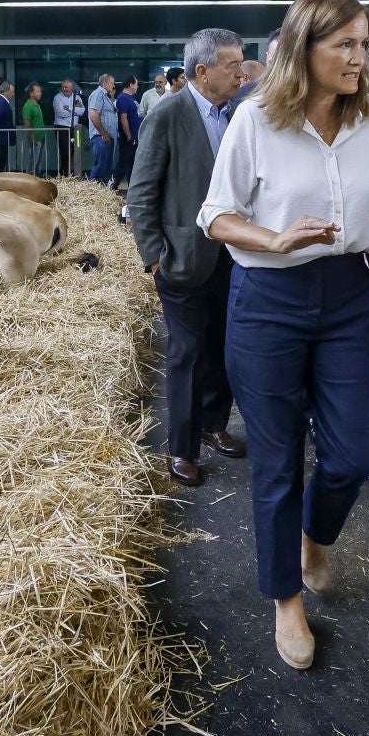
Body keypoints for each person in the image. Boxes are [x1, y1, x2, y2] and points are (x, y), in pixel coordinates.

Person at [198, 0, 369, 672]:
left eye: (364, 43)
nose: (358, 58)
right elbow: (216, 216)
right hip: (269, 297)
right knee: (277, 462)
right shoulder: (257, 119)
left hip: (348, 295)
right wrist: (275, 240)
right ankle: (286, 597)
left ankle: (316, 535)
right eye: (345, 44)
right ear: (304, 48)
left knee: (351, 451)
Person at [131, 28, 249, 487]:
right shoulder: (167, 116)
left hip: (231, 256)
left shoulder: (238, 115)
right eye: (232, 64)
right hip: (181, 257)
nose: (241, 72)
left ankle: (214, 425)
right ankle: (181, 448)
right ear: (202, 71)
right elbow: (141, 193)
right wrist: (154, 256)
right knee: (185, 351)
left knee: (222, 344)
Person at [88, 73, 120, 185]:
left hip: (108, 137)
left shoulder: (106, 96)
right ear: (104, 83)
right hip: (100, 136)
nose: (113, 85)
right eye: (112, 83)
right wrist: (103, 133)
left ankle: (103, 193)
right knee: (101, 165)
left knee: (107, 166)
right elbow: (94, 116)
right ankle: (91, 191)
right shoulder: (98, 94)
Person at [53, 78, 85, 177]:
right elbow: (60, 113)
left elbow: (82, 111)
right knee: (65, 152)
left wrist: (68, 108)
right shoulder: (57, 98)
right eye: (63, 87)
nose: (64, 89)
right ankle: (64, 174)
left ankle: (70, 173)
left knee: (73, 151)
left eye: (67, 87)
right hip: (62, 128)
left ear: (72, 88)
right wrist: (74, 111)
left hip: (75, 129)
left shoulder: (77, 98)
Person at [115, 76, 142, 190]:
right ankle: (113, 186)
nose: (137, 86)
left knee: (131, 164)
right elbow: (123, 118)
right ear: (131, 84)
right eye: (136, 84)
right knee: (124, 163)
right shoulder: (123, 98)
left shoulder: (131, 98)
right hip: (128, 138)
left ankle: (132, 188)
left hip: (135, 136)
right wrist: (129, 136)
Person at [20, 82, 48, 176]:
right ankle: (29, 178)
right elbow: (27, 123)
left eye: (40, 91)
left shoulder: (36, 105)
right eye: (38, 91)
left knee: (39, 160)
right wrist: (32, 138)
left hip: (41, 137)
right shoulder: (28, 106)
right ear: (31, 93)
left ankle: (37, 177)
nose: (40, 93)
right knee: (33, 160)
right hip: (35, 138)